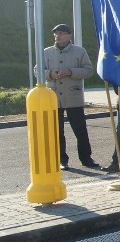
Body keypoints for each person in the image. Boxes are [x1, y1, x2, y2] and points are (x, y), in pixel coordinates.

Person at [39, 24, 99, 170]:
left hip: (73, 96)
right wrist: (50, 74)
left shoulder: (79, 51)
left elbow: (89, 70)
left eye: (61, 33)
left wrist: (71, 71)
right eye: (55, 34)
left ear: (69, 35)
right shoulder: (46, 52)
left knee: (80, 130)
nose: (57, 36)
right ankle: (62, 160)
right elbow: (38, 69)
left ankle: (86, 159)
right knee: (57, 131)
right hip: (53, 97)